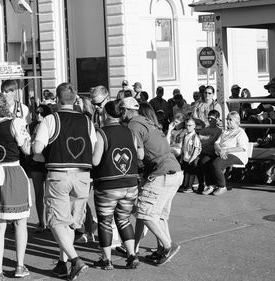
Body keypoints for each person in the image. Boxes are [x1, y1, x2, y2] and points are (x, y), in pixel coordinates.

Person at [33, 82, 96, 280]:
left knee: (57, 221)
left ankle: (75, 260)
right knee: (69, 221)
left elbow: (37, 149)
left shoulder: (51, 119)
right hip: (83, 175)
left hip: (59, 174)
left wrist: (46, 157)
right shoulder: (87, 121)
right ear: (75, 98)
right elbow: (92, 147)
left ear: (57, 100)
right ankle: (63, 263)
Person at [121, 97, 183, 266]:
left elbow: (140, 154)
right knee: (159, 215)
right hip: (174, 171)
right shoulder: (148, 121)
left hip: (162, 172)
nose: (121, 114)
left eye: (122, 110)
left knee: (144, 212)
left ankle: (168, 245)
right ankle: (162, 249)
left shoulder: (133, 124)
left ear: (127, 111)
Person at [0, 92, 32, 281]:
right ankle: (19, 266)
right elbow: (27, 149)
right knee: (20, 222)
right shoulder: (15, 122)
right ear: (5, 106)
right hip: (13, 173)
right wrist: (28, 139)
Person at [91, 100, 142, 270]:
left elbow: (95, 160)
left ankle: (107, 260)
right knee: (124, 219)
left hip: (108, 184)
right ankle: (132, 255)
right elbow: (139, 155)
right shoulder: (130, 132)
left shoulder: (102, 133)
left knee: (105, 221)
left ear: (105, 114)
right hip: (130, 184)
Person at [201, 111, 249, 196]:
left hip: (236, 154)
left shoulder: (240, 132)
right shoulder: (225, 131)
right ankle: (211, 185)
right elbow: (216, 143)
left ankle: (222, 186)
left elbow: (241, 148)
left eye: (230, 119)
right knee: (205, 161)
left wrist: (226, 151)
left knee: (217, 163)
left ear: (237, 121)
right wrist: (220, 150)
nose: (228, 121)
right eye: (227, 119)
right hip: (221, 152)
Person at [29, 104, 52, 233]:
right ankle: (41, 221)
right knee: (38, 193)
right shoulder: (32, 126)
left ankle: (49, 221)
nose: (38, 115)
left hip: (48, 162)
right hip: (36, 162)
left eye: (41, 113)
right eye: (37, 113)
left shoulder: (50, 124)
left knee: (49, 195)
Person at [195, 110, 222, 193]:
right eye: (208, 118)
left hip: (212, 153)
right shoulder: (205, 129)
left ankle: (210, 184)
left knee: (204, 161)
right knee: (195, 162)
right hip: (202, 152)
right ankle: (201, 184)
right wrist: (206, 138)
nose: (209, 120)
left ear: (217, 119)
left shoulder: (219, 131)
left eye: (212, 118)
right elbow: (197, 138)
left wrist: (203, 138)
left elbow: (212, 141)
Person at [179, 118, 201, 193]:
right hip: (185, 157)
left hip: (192, 158)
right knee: (186, 172)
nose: (188, 127)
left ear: (194, 126)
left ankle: (189, 186)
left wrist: (192, 159)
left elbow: (196, 149)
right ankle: (185, 185)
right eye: (186, 125)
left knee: (191, 173)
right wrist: (182, 157)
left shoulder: (195, 136)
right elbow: (183, 147)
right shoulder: (186, 135)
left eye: (190, 125)